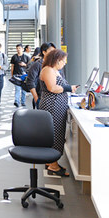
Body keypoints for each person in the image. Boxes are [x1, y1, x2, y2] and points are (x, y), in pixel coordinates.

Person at [38, 49, 77, 177]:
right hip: (52, 106)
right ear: (57, 60)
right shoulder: (48, 70)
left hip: (57, 105)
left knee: (58, 132)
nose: (64, 63)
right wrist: (69, 88)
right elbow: (53, 88)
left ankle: (51, 161)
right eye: (63, 61)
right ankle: (53, 165)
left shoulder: (55, 70)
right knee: (54, 133)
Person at [25, 42, 55, 108]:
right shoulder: (37, 64)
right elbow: (30, 82)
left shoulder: (55, 65)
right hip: (42, 98)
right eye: (51, 51)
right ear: (44, 52)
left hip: (54, 99)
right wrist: (36, 98)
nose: (53, 53)